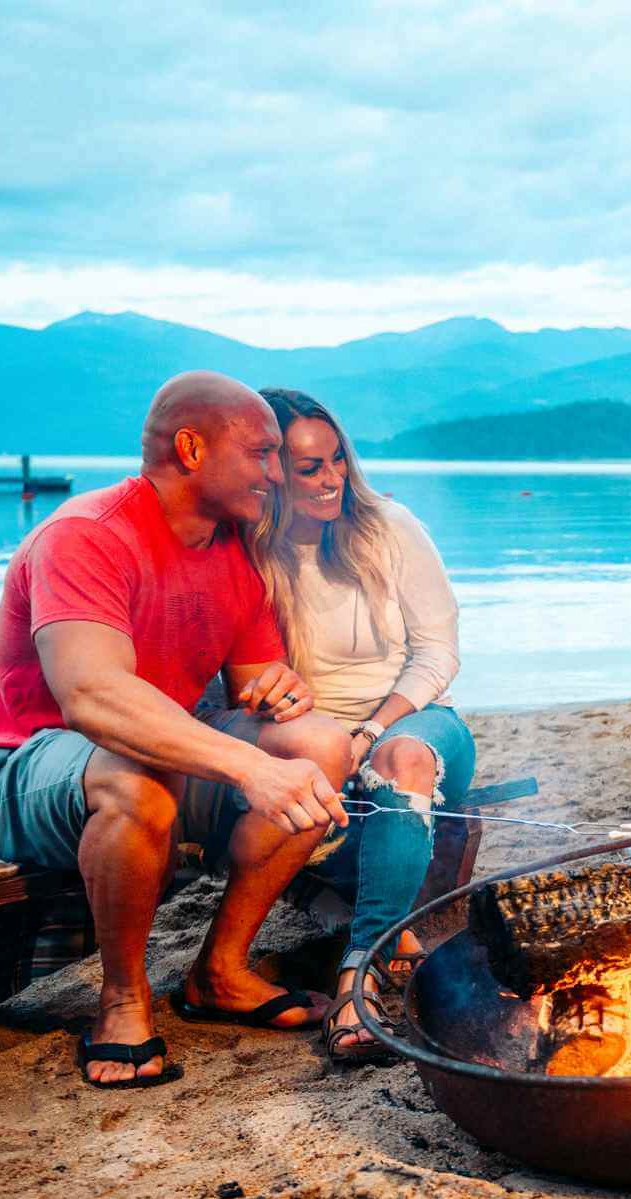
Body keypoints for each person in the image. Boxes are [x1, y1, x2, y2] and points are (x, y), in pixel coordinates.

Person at [0, 371, 353, 1090]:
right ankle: (122, 999)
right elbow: (92, 696)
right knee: (137, 773)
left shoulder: (235, 550)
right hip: (28, 773)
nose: (277, 472)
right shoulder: (86, 536)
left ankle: (221, 971)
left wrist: (283, 691)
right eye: (262, 453)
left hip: (162, 763)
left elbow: (254, 682)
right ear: (190, 448)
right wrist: (250, 769)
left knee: (323, 745)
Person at [242, 387, 475, 1065]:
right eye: (309, 467)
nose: (332, 478)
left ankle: (357, 973)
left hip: (413, 721)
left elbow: (439, 652)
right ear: (269, 470)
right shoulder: (248, 552)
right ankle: (382, 929)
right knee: (305, 797)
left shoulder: (387, 526)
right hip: (308, 743)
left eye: (337, 459)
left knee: (406, 763)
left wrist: (369, 732)